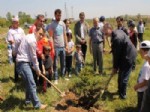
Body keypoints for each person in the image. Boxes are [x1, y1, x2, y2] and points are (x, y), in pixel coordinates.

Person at [103, 23, 137, 99]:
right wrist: (113, 50)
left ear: (110, 29)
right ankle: (119, 90)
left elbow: (117, 56)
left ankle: (123, 96)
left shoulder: (117, 38)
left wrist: (115, 68)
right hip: (124, 54)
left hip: (128, 56)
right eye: (103, 30)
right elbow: (118, 47)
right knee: (120, 75)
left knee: (124, 77)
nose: (104, 32)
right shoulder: (117, 32)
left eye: (105, 30)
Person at [16, 27, 47, 109]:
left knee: (28, 83)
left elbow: (30, 56)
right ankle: (37, 105)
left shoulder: (29, 36)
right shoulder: (32, 40)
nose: (41, 36)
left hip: (23, 62)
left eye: (42, 35)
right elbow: (34, 57)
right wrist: (37, 69)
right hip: (23, 63)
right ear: (36, 31)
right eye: (40, 34)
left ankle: (28, 101)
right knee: (32, 84)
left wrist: (34, 66)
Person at [48, 9, 68, 84]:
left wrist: (66, 45)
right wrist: (52, 47)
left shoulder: (63, 24)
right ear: (55, 15)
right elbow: (50, 37)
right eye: (57, 15)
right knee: (55, 64)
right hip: (56, 47)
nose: (59, 16)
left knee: (63, 62)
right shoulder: (52, 24)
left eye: (60, 15)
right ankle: (56, 77)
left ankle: (63, 75)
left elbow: (65, 35)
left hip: (62, 46)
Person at [7, 16, 25, 82]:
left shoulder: (21, 30)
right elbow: (10, 40)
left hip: (22, 49)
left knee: (23, 63)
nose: (17, 24)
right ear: (13, 23)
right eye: (16, 22)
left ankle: (23, 76)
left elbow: (24, 38)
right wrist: (15, 41)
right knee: (17, 64)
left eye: (18, 22)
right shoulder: (10, 31)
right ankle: (16, 79)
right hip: (15, 50)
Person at [134, 40, 150, 112]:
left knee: (141, 105)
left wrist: (137, 86)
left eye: (140, 51)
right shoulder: (146, 62)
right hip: (142, 89)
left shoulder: (147, 66)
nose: (139, 53)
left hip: (142, 90)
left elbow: (146, 82)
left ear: (146, 52)